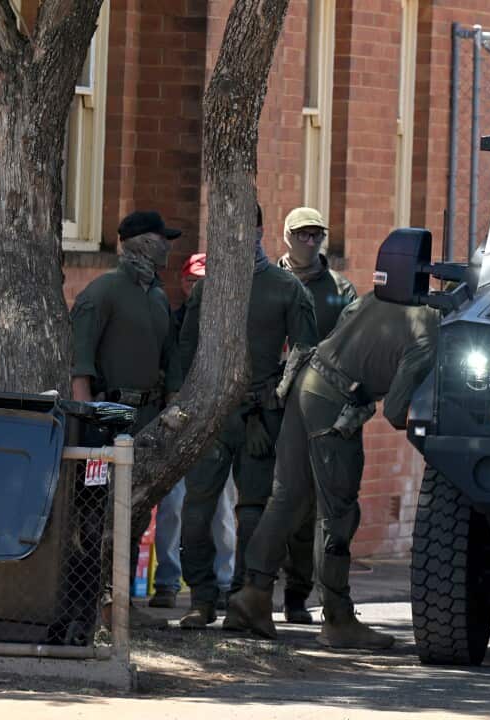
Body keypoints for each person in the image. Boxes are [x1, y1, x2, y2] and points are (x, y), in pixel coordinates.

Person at [224, 291, 439, 649]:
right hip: (336, 403)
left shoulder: (394, 297)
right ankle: (338, 618)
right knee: (338, 513)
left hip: (306, 381)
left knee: (287, 495)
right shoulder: (431, 335)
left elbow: (346, 320)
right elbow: (397, 410)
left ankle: (253, 594)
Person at [169, 205, 319, 629]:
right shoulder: (209, 288)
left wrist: (277, 396)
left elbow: (304, 352)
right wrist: (188, 403)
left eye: (245, 229)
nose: (237, 238)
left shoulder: (285, 288)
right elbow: (186, 348)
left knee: (253, 510)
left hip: (260, 414)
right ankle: (200, 597)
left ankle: (245, 597)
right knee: (197, 507)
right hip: (212, 414)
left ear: (260, 230)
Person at [70, 209, 181, 629]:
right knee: (98, 514)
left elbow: (169, 360)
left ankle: (122, 603)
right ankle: (94, 604)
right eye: (161, 239)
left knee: (136, 511)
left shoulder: (156, 295)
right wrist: (86, 420)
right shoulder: (103, 292)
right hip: (109, 419)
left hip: (149, 418)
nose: (168, 247)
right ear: (140, 243)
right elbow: (80, 363)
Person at [275, 207, 358, 624]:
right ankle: (241, 590)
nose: (311, 242)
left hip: (319, 405)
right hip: (269, 404)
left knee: (313, 506)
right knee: (264, 502)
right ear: (286, 236)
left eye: (317, 236)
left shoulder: (340, 290)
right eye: (303, 235)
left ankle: (297, 594)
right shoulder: (268, 281)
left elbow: (356, 345)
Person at [149, 254, 238, 609]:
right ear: (183, 284)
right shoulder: (171, 324)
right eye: (192, 280)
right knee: (171, 507)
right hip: (177, 427)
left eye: (205, 281)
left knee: (222, 508)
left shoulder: (226, 328)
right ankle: (168, 583)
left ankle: (225, 581)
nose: (197, 287)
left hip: (218, 429)